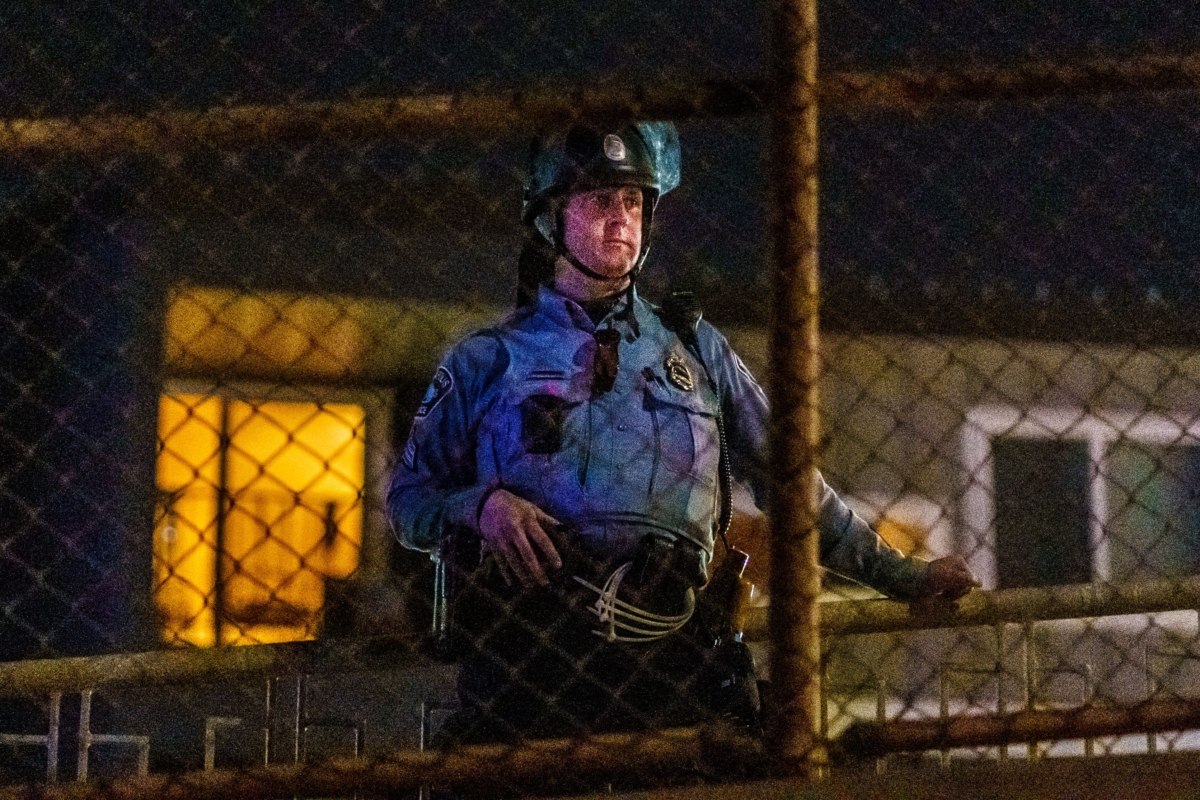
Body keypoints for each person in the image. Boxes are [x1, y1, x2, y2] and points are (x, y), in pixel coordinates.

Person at [387, 121, 977, 745]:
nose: (621, 219)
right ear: (550, 219)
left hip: (670, 667)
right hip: (527, 668)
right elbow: (409, 501)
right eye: (599, 200)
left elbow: (792, 482)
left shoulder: (695, 349)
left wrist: (905, 577)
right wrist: (479, 506)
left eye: (634, 202)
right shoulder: (487, 360)